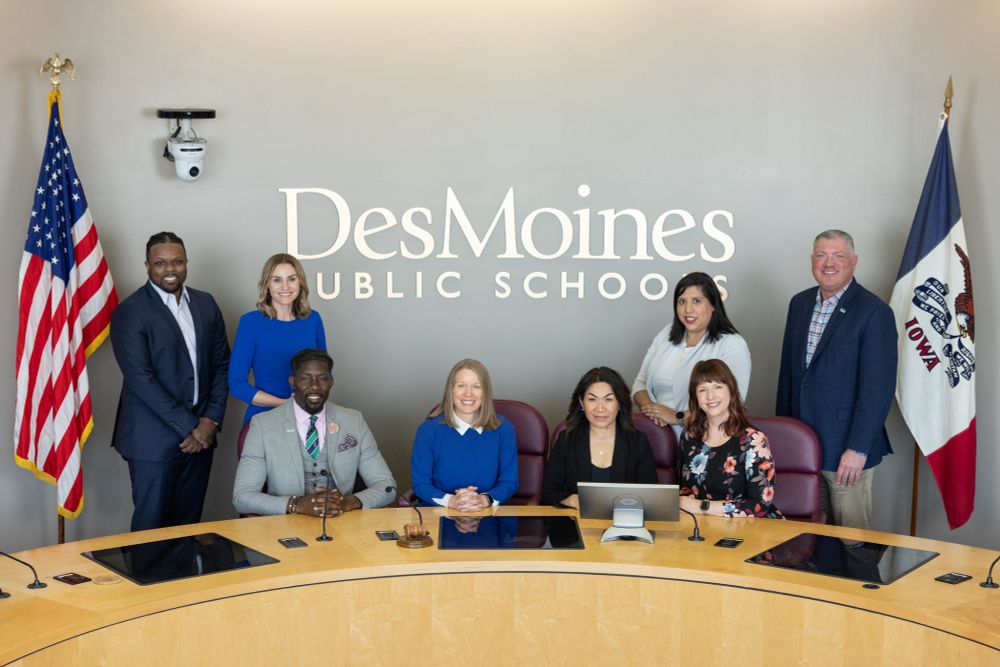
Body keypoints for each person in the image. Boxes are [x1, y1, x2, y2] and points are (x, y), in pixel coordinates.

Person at [776, 229, 897, 529]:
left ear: (853, 262)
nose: (828, 263)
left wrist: (858, 449)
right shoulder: (799, 304)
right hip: (801, 447)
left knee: (849, 541)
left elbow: (877, 389)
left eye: (838, 256)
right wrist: (783, 437)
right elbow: (788, 377)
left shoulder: (874, 312)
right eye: (821, 255)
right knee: (804, 535)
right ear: (812, 260)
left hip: (846, 449)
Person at [110, 231, 230, 532]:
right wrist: (191, 426)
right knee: (151, 532)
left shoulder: (205, 304)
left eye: (177, 261)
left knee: (189, 529)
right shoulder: (131, 311)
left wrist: (209, 421)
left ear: (186, 262)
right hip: (152, 442)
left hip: (202, 437)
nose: (170, 269)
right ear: (147, 266)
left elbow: (221, 365)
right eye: (160, 263)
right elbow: (141, 379)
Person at [233, 348, 396, 516]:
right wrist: (297, 504)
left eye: (322, 378)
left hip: (343, 522)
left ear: (331, 382)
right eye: (305, 378)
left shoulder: (353, 421)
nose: (315, 386)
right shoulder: (262, 425)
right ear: (293, 381)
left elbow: (386, 486)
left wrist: (348, 502)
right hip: (286, 524)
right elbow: (242, 497)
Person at [632, 272, 751, 437]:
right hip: (657, 436)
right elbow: (640, 383)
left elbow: (732, 405)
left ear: (713, 305)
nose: (688, 309)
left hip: (705, 439)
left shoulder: (732, 344)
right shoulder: (666, 334)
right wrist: (653, 411)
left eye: (697, 301)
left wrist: (676, 417)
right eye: (682, 301)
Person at [229, 253, 326, 424]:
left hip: (307, 417)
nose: (285, 286)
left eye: (292, 279)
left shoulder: (313, 320)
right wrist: (285, 404)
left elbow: (324, 374)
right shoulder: (250, 323)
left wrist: (308, 403)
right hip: (264, 419)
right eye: (277, 280)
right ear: (267, 284)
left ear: (300, 282)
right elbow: (237, 384)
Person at [678, 359, 782, 519]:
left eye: (718, 387)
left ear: (731, 391)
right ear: (695, 398)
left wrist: (702, 507)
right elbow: (684, 489)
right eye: (702, 390)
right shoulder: (689, 435)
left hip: (752, 527)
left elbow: (760, 505)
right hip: (702, 524)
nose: (710, 396)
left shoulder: (754, 440)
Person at [410, 359, 518, 510]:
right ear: (451, 391)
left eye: (476, 386)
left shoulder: (504, 429)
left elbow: (509, 482)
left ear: (485, 392)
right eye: (461, 386)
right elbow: (421, 484)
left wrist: (483, 500)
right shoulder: (428, 430)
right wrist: (452, 501)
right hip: (438, 512)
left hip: (488, 512)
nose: (468, 393)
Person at [542, 367, 657, 508]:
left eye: (608, 399)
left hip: (624, 520)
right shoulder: (567, 439)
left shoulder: (638, 442)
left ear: (620, 403)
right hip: (576, 520)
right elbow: (548, 492)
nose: (600, 408)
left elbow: (651, 496)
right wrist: (572, 500)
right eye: (592, 399)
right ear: (581, 403)